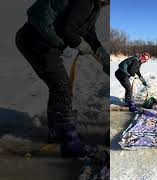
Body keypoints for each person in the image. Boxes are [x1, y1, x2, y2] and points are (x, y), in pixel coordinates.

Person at [15, 0, 110, 158]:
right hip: (36, 41)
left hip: (40, 42)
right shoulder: (85, 2)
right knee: (62, 87)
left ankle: (58, 132)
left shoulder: (94, 6)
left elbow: (87, 31)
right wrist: (79, 43)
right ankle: (68, 140)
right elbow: (68, 30)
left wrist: (100, 53)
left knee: (59, 86)